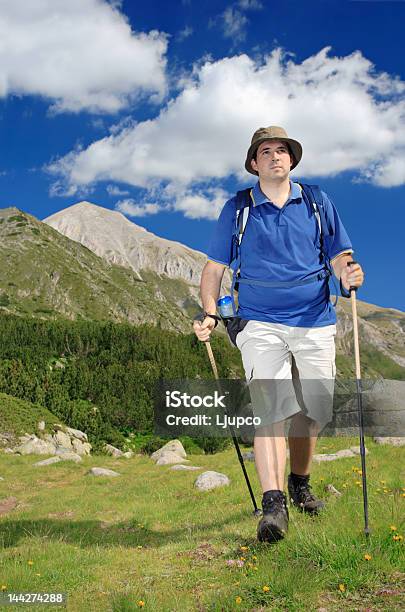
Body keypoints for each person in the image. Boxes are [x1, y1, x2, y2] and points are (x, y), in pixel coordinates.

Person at [193, 126, 364, 543]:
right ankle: (273, 507)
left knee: (313, 411)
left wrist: (348, 274)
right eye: (265, 151)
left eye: (282, 150)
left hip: (314, 319)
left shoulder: (317, 201)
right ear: (254, 163)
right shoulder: (238, 209)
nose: (275, 156)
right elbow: (215, 269)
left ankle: (299, 482)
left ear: (291, 159)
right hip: (258, 321)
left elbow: (339, 255)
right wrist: (210, 315)